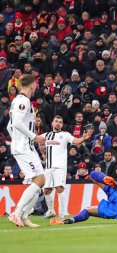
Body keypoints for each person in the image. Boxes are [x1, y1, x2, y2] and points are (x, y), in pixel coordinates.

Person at [7, 74, 46, 227]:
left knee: (38, 181)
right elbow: (16, 123)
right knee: (40, 180)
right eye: (36, 84)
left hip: (24, 145)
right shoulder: (23, 101)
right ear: (32, 85)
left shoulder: (17, 101)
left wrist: (17, 139)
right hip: (24, 146)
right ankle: (16, 213)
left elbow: (10, 126)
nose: (36, 86)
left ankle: (23, 216)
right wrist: (33, 137)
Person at [43, 116, 92, 219]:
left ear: (62, 124)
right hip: (48, 167)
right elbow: (36, 138)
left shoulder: (65, 135)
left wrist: (83, 137)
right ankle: (51, 210)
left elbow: (76, 141)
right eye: (56, 121)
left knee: (59, 188)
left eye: (60, 122)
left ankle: (61, 215)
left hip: (60, 167)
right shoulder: (47, 135)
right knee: (47, 190)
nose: (58, 123)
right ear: (52, 123)